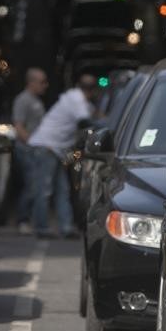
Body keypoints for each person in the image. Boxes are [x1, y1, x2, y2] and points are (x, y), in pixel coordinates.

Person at [28, 74, 98, 239]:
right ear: (92, 91)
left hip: (55, 149)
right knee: (45, 189)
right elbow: (84, 122)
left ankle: (65, 227)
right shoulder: (77, 99)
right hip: (47, 146)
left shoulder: (74, 98)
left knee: (62, 189)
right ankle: (42, 227)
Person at [12, 68, 48, 234]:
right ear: (31, 82)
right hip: (26, 150)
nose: (45, 86)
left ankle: (31, 219)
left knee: (36, 185)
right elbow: (18, 126)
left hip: (36, 149)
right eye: (42, 82)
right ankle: (22, 219)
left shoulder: (36, 100)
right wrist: (31, 142)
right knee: (31, 186)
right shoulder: (23, 100)